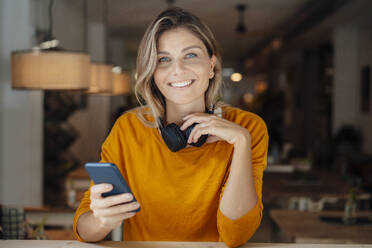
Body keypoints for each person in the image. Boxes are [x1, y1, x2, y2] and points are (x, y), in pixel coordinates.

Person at [73, 7, 269, 248]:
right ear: (152, 73)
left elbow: (236, 235)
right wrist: (102, 221)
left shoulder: (247, 128)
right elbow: (84, 230)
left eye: (190, 55)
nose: (177, 70)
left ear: (211, 65)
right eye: (163, 59)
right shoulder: (129, 128)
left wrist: (241, 143)